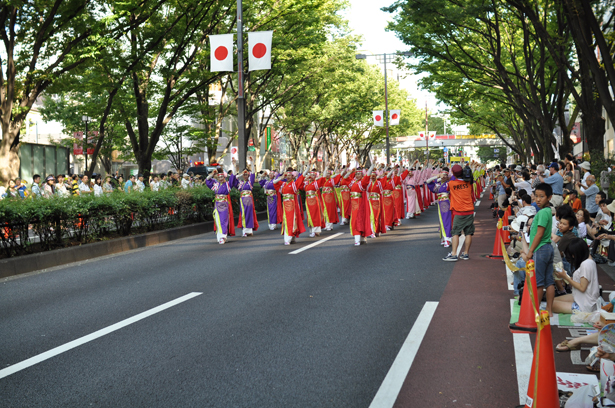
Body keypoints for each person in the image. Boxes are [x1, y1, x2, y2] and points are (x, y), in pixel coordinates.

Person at [521, 183, 555, 316]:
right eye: (536, 196)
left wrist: (530, 251)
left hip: (540, 249)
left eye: (542, 196)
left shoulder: (542, 213)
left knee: (539, 283)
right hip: (548, 248)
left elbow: (539, 234)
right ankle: (549, 311)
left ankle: (534, 310)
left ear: (549, 197)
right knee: (549, 281)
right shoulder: (548, 211)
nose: (538, 199)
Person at [553, 238, 600, 313]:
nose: (573, 257)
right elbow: (582, 282)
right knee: (552, 301)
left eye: (573, 254)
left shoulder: (585, 264)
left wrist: (565, 277)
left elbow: (582, 288)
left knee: (551, 305)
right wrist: (567, 278)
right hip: (582, 299)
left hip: (584, 306)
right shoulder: (589, 261)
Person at [443, 164, 475, 261]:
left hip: (459, 211)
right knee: (468, 232)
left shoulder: (452, 183)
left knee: (455, 232)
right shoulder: (469, 183)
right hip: (469, 210)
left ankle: (453, 254)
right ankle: (466, 253)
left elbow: (446, 187)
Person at [205, 169, 236, 244]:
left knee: (223, 220)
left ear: (224, 177)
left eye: (222, 177)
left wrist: (234, 165)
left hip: (224, 204)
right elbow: (207, 180)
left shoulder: (228, 184)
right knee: (217, 220)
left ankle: (223, 236)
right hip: (217, 204)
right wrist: (212, 174)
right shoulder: (216, 184)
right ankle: (220, 236)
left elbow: (233, 177)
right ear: (217, 178)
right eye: (219, 177)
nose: (221, 178)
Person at [278, 167, 305, 245]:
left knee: (291, 220)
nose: (288, 176)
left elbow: (302, 176)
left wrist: (308, 167)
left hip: (291, 205)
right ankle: (292, 237)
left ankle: (288, 238)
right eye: (287, 175)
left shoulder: (294, 184)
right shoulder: (283, 184)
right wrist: (281, 177)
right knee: (287, 221)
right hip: (285, 205)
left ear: (293, 176)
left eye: (290, 175)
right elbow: (275, 182)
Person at [427, 170, 452, 247]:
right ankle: (445, 238)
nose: (443, 176)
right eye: (442, 175)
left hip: (445, 202)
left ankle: (448, 239)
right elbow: (428, 181)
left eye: (445, 175)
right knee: (441, 220)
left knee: (446, 220)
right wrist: (437, 176)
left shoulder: (448, 183)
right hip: (440, 202)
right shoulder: (437, 183)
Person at [232, 169, 259, 237]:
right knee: (243, 214)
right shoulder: (240, 183)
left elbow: (253, 173)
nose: (245, 176)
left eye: (246, 174)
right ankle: (244, 230)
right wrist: (241, 174)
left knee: (249, 213)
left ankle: (249, 230)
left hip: (249, 200)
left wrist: (252, 162)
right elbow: (233, 179)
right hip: (242, 200)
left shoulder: (250, 182)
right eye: (244, 175)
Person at [302, 168, 325, 238]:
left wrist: (325, 168)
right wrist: (306, 177)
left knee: (315, 215)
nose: (312, 176)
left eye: (313, 175)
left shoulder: (316, 183)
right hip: (308, 200)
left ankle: (315, 231)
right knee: (309, 215)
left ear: (315, 176)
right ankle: (313, 230)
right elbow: (299, 183)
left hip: (314, 200)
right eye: (311, 175)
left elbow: (323, 178)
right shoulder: (306, 183)